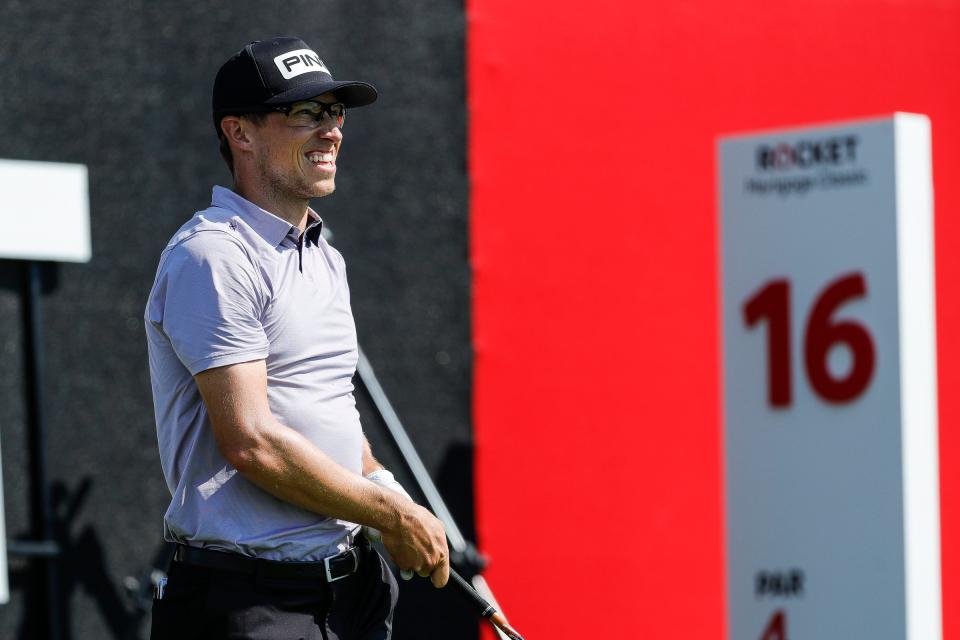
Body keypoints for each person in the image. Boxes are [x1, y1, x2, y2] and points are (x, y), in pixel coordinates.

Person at [144, 36, 449, 640]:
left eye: (334, 113)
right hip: (248, 601)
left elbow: (327, 411)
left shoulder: (322, 255)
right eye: (307, 114)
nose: (332, 131)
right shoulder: (215, 254)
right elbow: (252, 442)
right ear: (241, 132)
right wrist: (390, 512)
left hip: (350, 591)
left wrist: (391, 497)